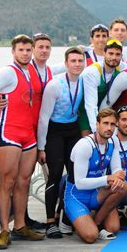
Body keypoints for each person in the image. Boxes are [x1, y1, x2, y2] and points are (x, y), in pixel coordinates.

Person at [0, 35, 45, 249]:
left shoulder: (34, 70)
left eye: (29, 50)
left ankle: (20, 226)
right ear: (13, 51)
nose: (26, 53)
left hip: (29, 135)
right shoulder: (6, 72)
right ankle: (4, 231)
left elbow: (56, 70)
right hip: (10, 133)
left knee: (24, 181)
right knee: (7, 183)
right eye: (22, 50)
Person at [37, 47, 85, 238]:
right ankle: (50, 222)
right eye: (73, 61)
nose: (77, 64)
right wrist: (41, 147)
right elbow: (43, 117)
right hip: (54, 131)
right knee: (55, 174)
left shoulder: (84, 81)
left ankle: (62, 215)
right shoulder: (54, 85)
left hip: (73, 130)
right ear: (66, 64)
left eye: (80, 61)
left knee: (74, 175)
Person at [64, 109, 127, 242]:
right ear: (97, 124)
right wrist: (109, 178)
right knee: (90, 236)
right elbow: (80, 183)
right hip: (76, 196)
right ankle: (71, 217)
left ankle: (97, 221)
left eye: (112, 124)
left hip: (96, 193)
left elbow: (117, 169)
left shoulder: (113, 142)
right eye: (105, 123)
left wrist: (118, 176)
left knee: (123, 187)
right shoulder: (85, 145)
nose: (109, 128)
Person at [78, 39, 123, 136]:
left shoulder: (121, 67)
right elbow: (90, 105)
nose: (114, 57)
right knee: (90, 142)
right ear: (104, 53)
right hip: (85, 112)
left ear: (121, 56)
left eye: (117, 54)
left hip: (104, 112)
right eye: (110, 53)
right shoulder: (92, 72)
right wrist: (97, 131)